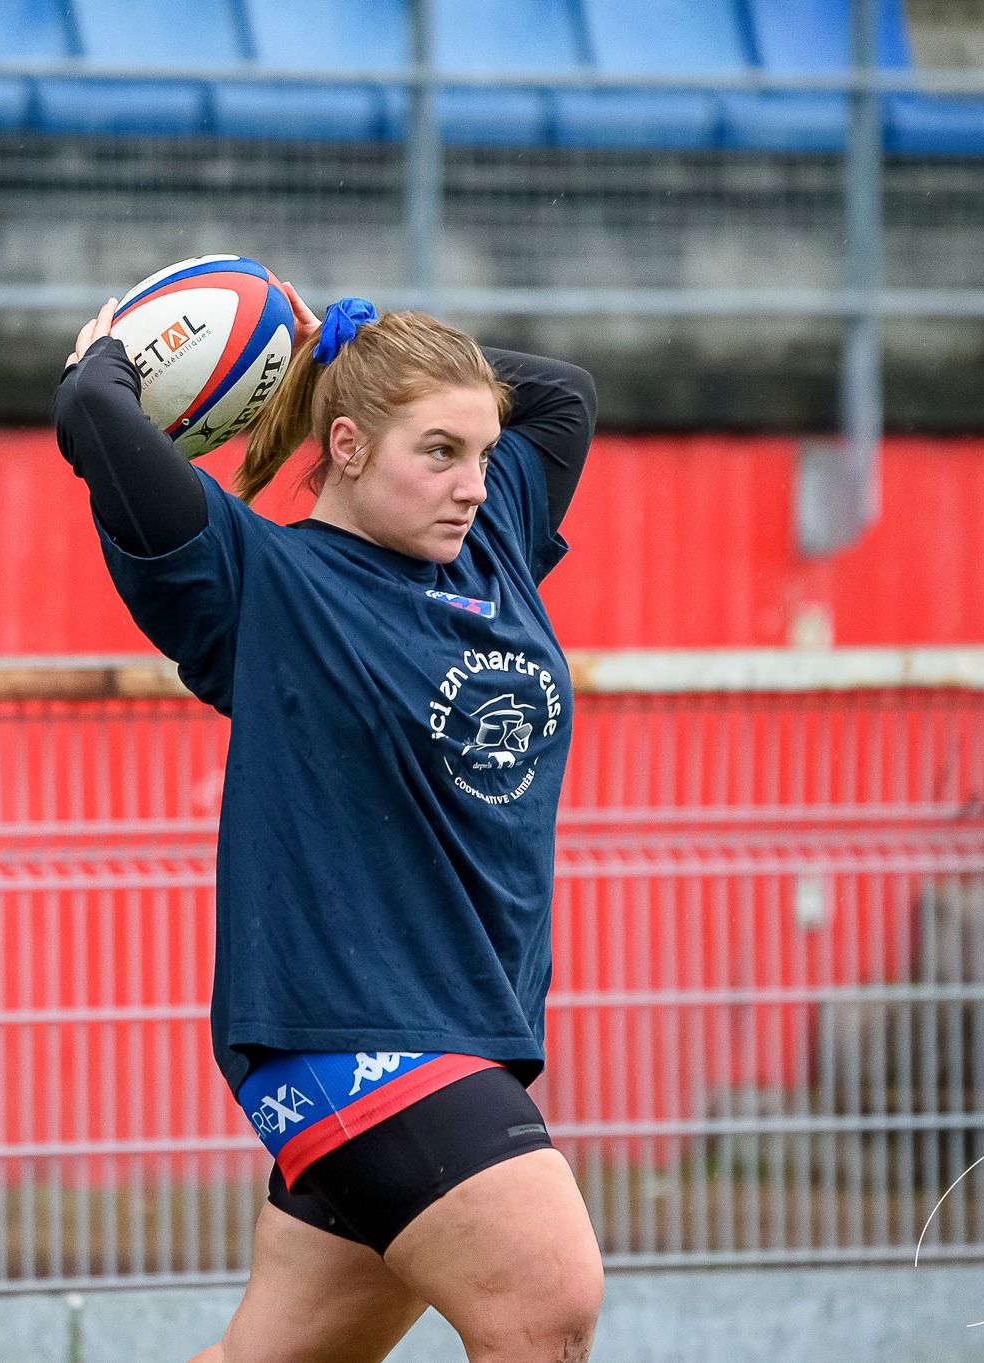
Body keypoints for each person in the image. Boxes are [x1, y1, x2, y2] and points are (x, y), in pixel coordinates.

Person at [55, 275, 600, 1363]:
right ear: (344, 446)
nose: (470, 483)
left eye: (481, 453)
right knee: (545, 1300)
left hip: (465, 1026)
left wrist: (341, 343)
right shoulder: (259, 579)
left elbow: (564, 395)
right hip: (349, 1030)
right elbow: (92, 416)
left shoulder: (488, 539)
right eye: (436, 452)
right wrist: (105, 356)